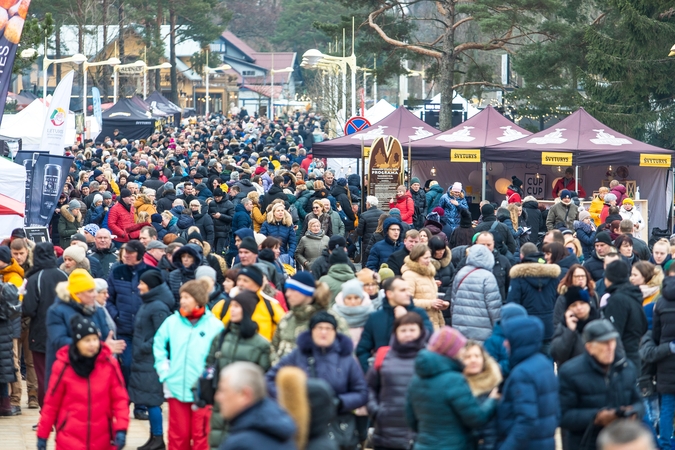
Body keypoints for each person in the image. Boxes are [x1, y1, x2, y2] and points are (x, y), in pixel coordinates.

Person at [266, 312, 369, 449]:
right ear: (311, 331)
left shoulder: (346, 359)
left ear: (335, 332)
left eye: (328, 328)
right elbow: (269, 380)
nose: (324, 332)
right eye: (319, 328)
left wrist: (339, 402)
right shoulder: (298, 355)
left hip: (337, 424)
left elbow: (362, 392)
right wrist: (291, 400)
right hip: (302, 425)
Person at [37, 316, 129, 450]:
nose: (92, 344)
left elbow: (120, 399)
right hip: (69, 440)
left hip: (102, 440)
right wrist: (42, 435)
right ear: (77, 342)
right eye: (87, 340)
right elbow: (51, 404)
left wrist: (121, 428)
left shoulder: (109, 364)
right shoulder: (63, 367)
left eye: (94, 339)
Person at [153, 279, 224, 450]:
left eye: (187, 297)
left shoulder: (215, 325)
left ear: (198, 299)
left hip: (203, 393)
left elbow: (221, 355)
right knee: (178, 437)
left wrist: (213, 379)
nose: (182, 301)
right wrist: (164, 371)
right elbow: (158, 344)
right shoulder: (172, 321)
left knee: (201, 438)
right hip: (177, 388)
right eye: (181, 297)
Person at [405, 326, 498, 450]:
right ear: (451, 351)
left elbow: (411, 420)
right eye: (460, 349)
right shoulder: (454, 380)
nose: (462, 352)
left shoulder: (416, 379)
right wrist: (492, 401)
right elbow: (476, 419)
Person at [558, 319, 643, 450]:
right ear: (589, 347)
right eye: (604, 343)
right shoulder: (570, 372)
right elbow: (562, 416)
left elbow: (639, 402)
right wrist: (596, 417)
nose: (610, 347)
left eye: (612, 341)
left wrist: (633, 413)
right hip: (586, 444)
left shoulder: (626, 367)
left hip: (620, 443)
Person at [205, 290, 272, 450]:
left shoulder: (261, 345)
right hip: (221, 406)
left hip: (247, 409)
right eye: (231, 306)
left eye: (237, 306)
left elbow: (266, 381)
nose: (232, 310)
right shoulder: (221, 337)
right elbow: (209, 365)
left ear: (247, 310)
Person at [45, 269, 125, 387]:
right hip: (67, 373)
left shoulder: (98, 311)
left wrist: (107, 346)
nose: (94, 294)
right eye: (90, 291)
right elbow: (59, 341)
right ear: (77, 293)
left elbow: (105, 337)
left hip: (96, 371)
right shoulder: (57, 311)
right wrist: (95, 345)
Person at [106, 239, 158, 403]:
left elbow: (159, 298)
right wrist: (117, 315)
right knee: (127, 365)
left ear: (140, 255)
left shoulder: (151, 273)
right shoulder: (117, 271)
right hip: (124, 329)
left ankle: (141, 405)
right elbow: (108, 299)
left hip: (145, 331)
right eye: (125, 252)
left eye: (130, 253)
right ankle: (126, 399)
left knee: (142, 368)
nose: (126, 255)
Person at [496, 315, 559, 449]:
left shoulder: (523, 373)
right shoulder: (544, 364)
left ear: (519, 340)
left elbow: (526, 420)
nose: (505, 343)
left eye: (509, 339)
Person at [365, 312, 426, 450]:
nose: (408, 334)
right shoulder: (384, 356)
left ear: (421, 331)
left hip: (420, 433)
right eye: (403, 330)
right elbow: (369, 387)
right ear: (395, 333)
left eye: (412, 330)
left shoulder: (430, 358)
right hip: (386, 432)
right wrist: (375, 410)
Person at [128, 270, 172, 450]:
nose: (138, 286)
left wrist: (143, 348)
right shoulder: (149, 303)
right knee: (148, 399)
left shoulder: (158, 307)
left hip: (151, 361)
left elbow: (162, 335)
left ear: (151, 286)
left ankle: (159, 439)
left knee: (153, 401)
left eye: (142, 283)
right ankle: (153, 437)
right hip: (143, 360)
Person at [22, 242, 68, 409]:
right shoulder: (64, 275)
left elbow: (28, 308)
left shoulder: (35, 278)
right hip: (64, 334)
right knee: (62, 374)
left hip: (40, 333)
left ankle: (47, 415)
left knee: (43, 375)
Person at [357, 277, 434, 372]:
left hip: (416, 373)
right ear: (389, 294)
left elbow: (429, 338)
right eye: (402, 290)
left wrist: (406, 318)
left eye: (407, 290)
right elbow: (362, 349)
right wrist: (371, 372)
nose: (408, 294)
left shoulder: (419, 314)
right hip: (385, 376)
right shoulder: (375, 318)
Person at [215, 362, 297, 449]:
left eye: (223, 390)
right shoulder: (282, 433)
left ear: (245, 395)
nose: (218, 397)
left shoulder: (240, 445)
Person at [213, 266, 286, 341]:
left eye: (245, 281)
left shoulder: (271, 307)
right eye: (239, 279)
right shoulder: (223, 305)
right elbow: (212, 334)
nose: (240, 283)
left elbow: (282, 336)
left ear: (257, 285)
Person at [507, 250, 561, 352]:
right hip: (549, 326)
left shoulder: (518, 278)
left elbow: (512, 304)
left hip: (525, 327)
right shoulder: (554, 278)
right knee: (547, 362)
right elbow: (559, 302)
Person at [602, 259, 648, 370]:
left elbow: (614, 333)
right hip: (633, 355)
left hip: (622, 360)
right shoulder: (633, 295)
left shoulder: (618, 299)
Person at [451, 245, 502, 342]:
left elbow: (453, 301)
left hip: (460, 326)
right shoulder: (488, 277)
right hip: (482, 328)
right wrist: (497, 326)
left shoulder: (461, 273)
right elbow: (493, 307)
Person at [650, 275, 675, 450]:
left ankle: (665, 444)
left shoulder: (660, 302)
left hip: (667, 359)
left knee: (667, 406)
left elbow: (656, 335)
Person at [462, 341, 503, 450]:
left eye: (477, 356)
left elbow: (493, 430)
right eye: (468, 357)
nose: (473, 360)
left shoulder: (494, 385)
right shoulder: (457, 387)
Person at [551, 286, 600, 368]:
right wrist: (570, 331)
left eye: (582, 303)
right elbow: (558, 355)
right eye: (574, 305)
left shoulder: (600, 321)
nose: (579, 308)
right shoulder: (563, 327)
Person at [401, 243, 447, 330]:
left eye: (429, 257)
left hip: (434, 321)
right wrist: (430, 303)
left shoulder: (427, 273)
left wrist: (440, 304)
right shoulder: (409, 275)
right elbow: (406, 301)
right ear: (416, 258)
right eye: (425, 258)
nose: (429, 260)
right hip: (420, 323)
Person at [331, 279, 374, 346]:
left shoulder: (371, 314)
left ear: (362, 298)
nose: (353, 302)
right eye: (349, 298)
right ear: (343, 299)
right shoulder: (334, 315)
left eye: (356, 298)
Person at [209, 187, 235, 256]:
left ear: (222, 196)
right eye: (215, 197)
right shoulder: (212, 203)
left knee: (219, 251)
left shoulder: (229, 204)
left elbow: (232, 218)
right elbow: (209, 215)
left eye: (218, 197)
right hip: (213, 230)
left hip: (223, 231)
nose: (217, 198)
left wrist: (221, 216)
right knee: (212, 251)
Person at [356, 196, 383, 261]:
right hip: (380, 241)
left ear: (368, 204)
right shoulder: (383, 214)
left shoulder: (364, 215)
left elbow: (359, 231)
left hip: (367, 242)